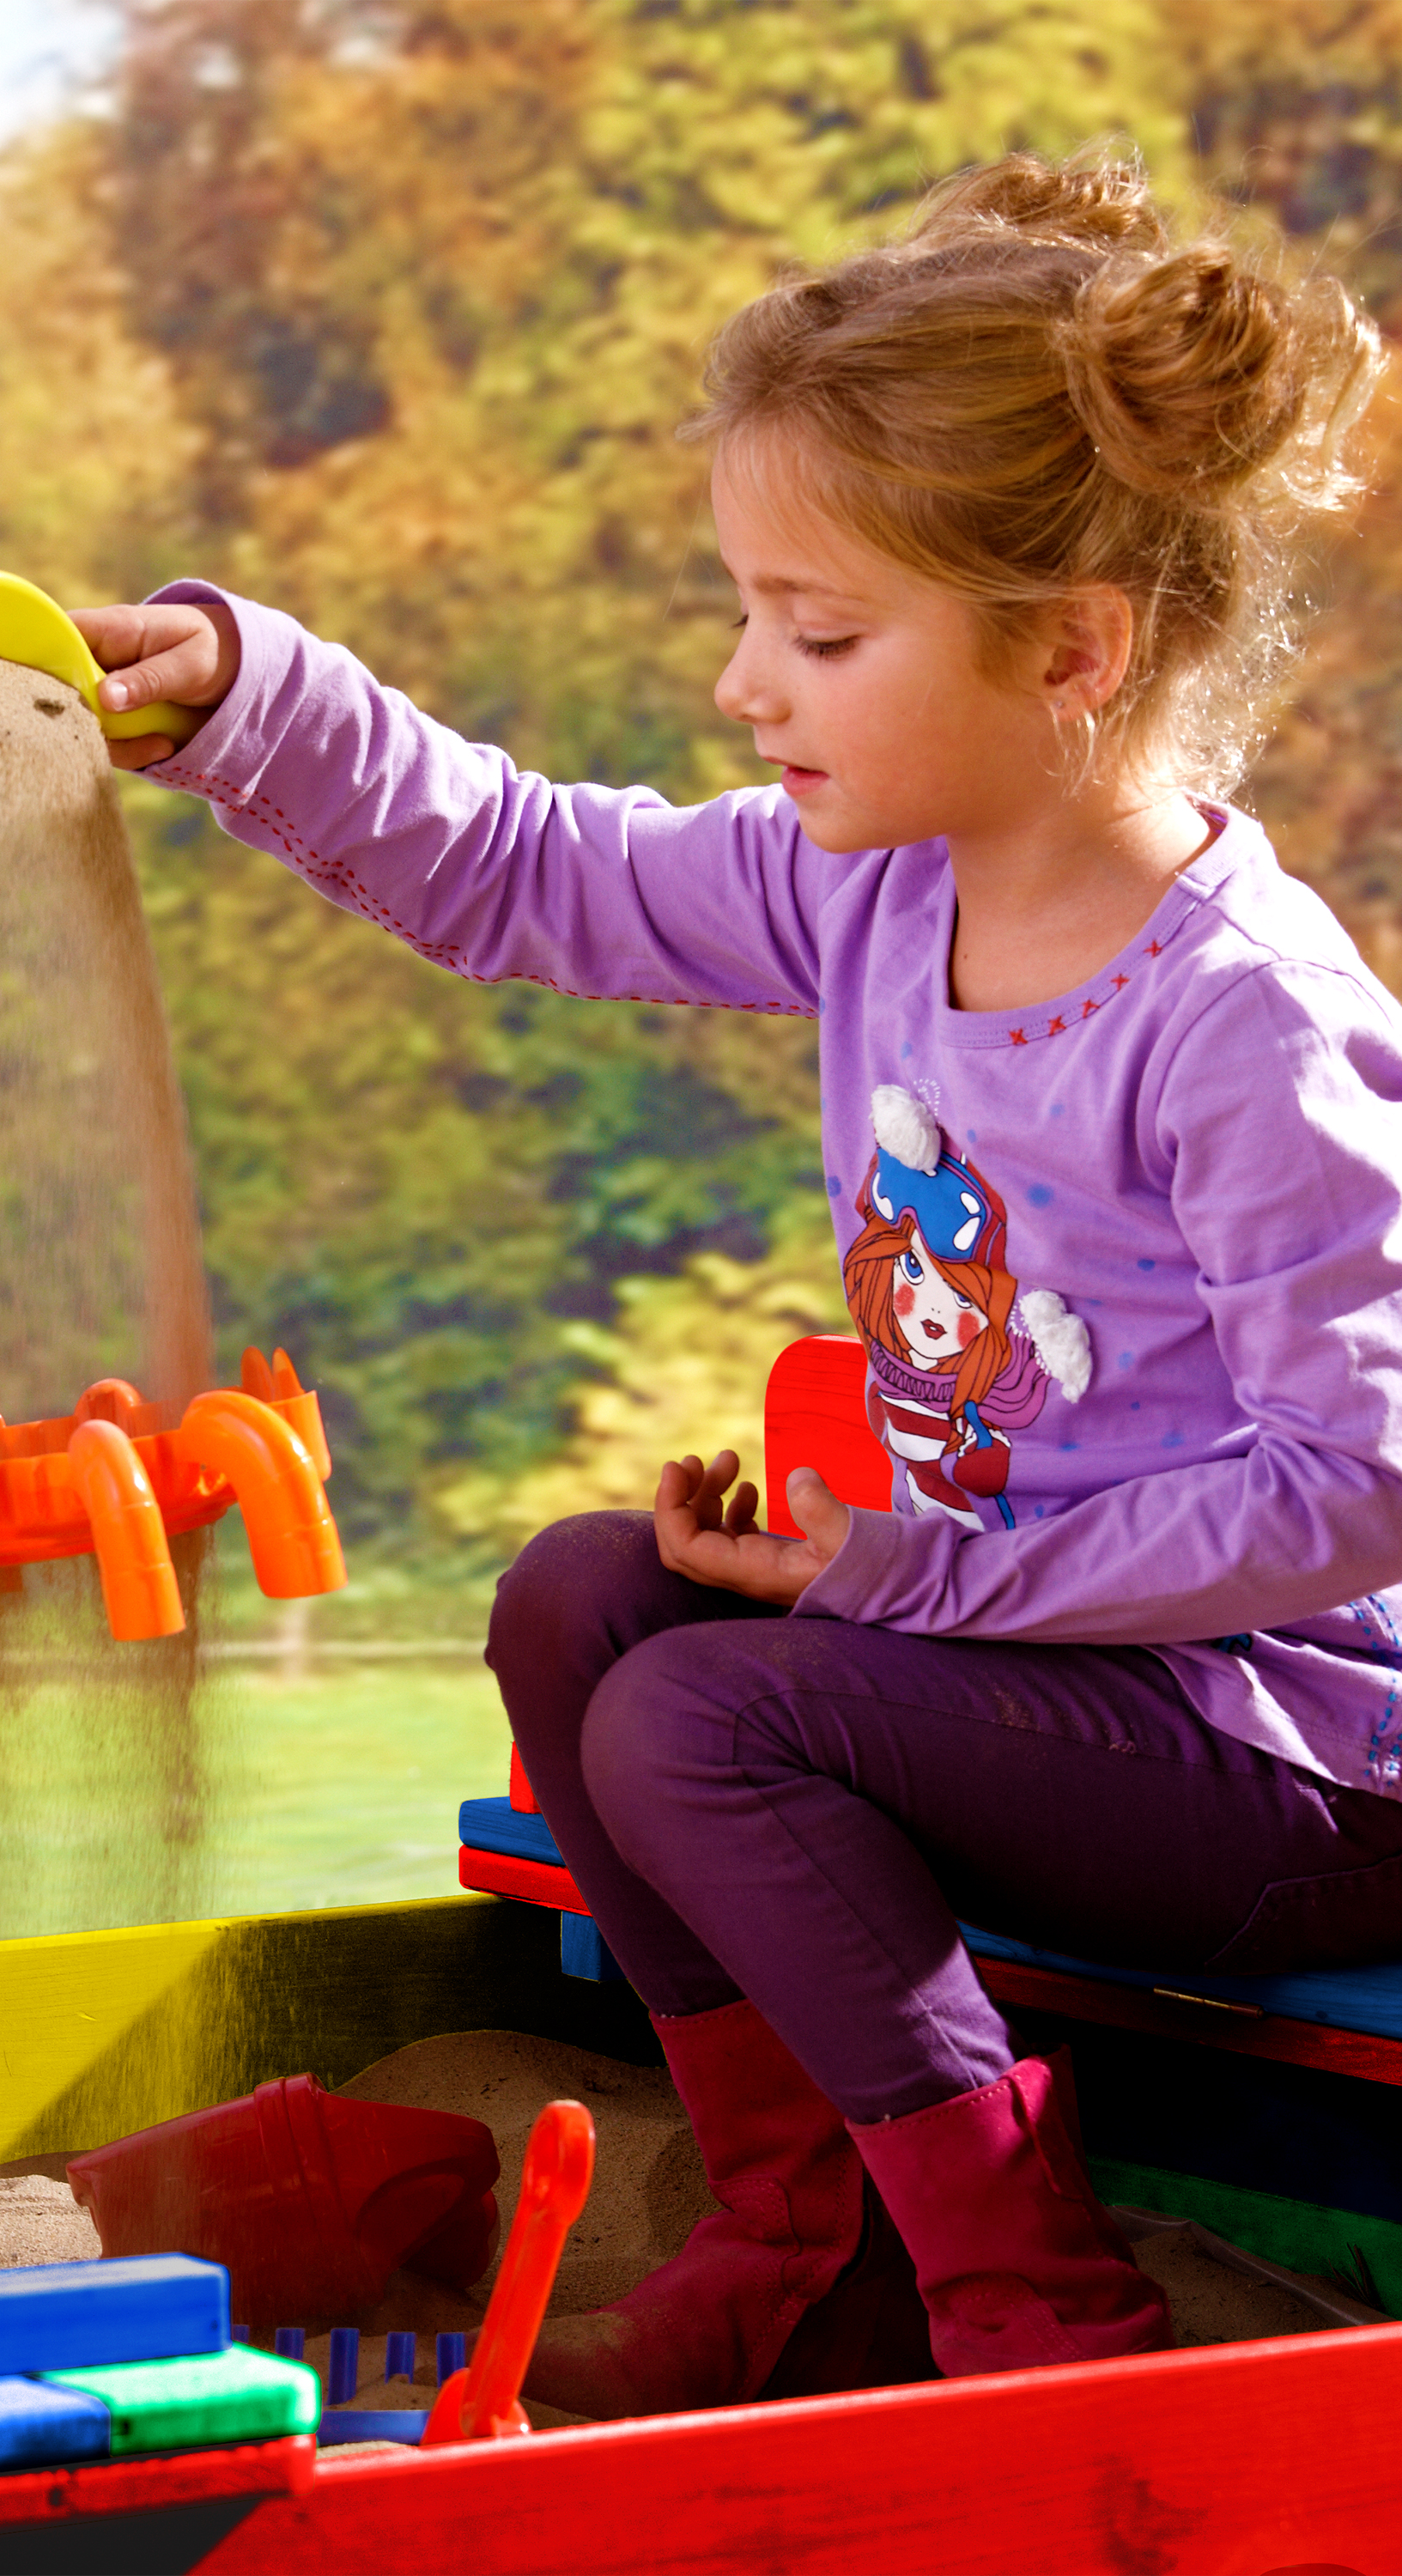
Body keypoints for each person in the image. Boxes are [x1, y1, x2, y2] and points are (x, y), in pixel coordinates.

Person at [75, 151, 1402, 2409]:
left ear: (1071, 654)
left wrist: (902, 1585)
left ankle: (1019, 2284)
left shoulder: (1248, 1021)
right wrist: (242, 700)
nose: (742, 681)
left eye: (820, 631)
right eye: (751, 612)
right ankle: (808, 2233)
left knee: (704, 1706)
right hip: (1030, 1693)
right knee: (581, 1603)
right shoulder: (867, 895)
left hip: (1296, 1768)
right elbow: (526, 869)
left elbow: (1354, 1490)